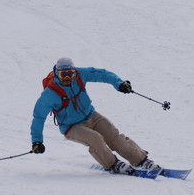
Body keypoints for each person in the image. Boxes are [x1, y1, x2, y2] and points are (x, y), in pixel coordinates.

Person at [30, 57, 160, 175]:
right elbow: (38, 117)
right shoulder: (50, 93)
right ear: (57, 73)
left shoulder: (81, 75)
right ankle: (112, 164)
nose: (67, 78)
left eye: (70, 74)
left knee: (114, 136)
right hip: (71, 126)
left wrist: (119, 83)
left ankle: (140, 160)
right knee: (95, 139)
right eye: (63, 75)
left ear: (74, 72)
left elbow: (103, 74)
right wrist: (37, 141)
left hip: (91, 115)